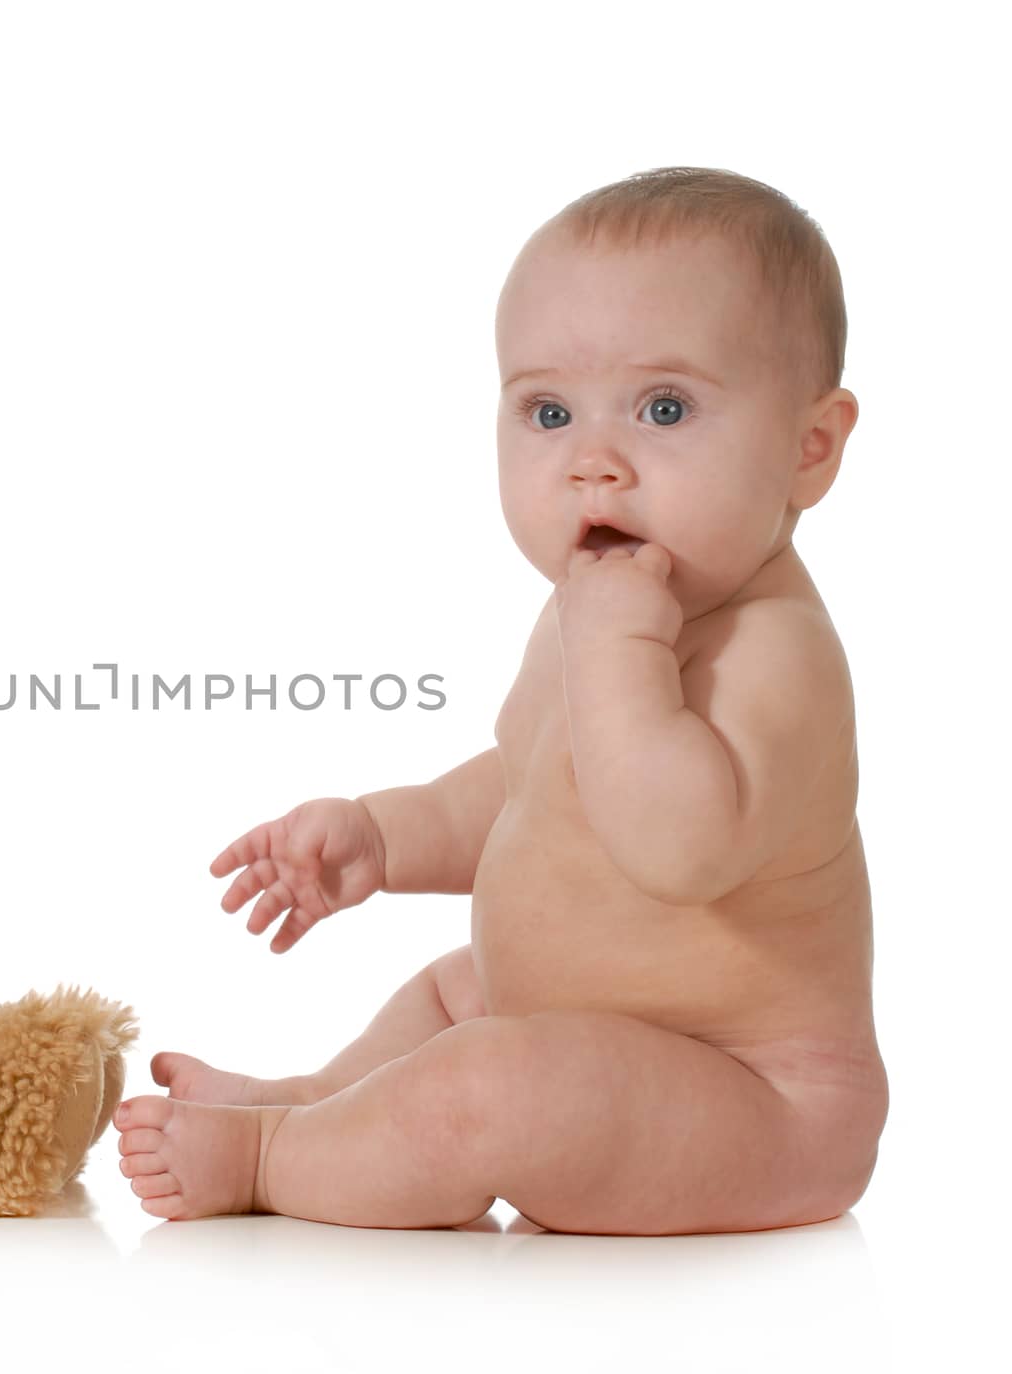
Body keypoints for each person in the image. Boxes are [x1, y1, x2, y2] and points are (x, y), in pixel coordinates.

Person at [114, 166, 888, 1234]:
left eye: (664, 408)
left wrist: (616, 649)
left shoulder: (774, 653)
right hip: (577, 1040)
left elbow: (676, 849)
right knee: (454, 994)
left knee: (489, 1082)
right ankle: (321, 1102)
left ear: (811, 448)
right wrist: (385, 836)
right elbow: (532, 787)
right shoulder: (607, 611)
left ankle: (272, 1159)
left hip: (754, 1102)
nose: (593, 464)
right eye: (548, 411)